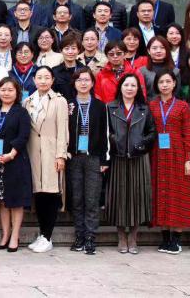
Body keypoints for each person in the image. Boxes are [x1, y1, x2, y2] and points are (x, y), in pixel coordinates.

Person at [148, 69, 190, 257]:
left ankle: (176, 239)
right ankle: (165, 237)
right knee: (160, 193)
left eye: (168, 81)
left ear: (174, 83)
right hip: (156, 155)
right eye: (161, 82)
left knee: (177, 195)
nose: (165, 85)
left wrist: (188, 159)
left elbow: (189, 135)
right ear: (157, 85)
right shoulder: (151, 105)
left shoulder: (183, 106)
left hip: (177, 154)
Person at [106, 73, 156, 254]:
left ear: (138, 89)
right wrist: (115, 140)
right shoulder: (110, 107)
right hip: (118, 156)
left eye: (133, 85)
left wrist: (142, 144)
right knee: (119, 196)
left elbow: (152, 131)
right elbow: (106, 131)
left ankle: (133, 237)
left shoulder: (144, 108)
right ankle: (121, 237)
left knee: (137, 196)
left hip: (138, 157)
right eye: (126, 85)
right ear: (120, 87)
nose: (129, 88)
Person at [24, 66, 69, 254]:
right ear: (34, 80)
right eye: (39, 77)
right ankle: (42, 234)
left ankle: (48, 236)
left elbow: (63, 130)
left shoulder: (59, 101)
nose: (43, 81)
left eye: (47, 77)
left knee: (51, 193)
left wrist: (61, 155)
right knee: (39, 194)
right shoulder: (27, 101)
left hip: (51, 153)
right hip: (33, 153)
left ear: (52, 80)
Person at [66, 69, 107, 255]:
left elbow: (105, 133)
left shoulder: (100, 106)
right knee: (77, 198)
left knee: (91, 199)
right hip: (74, 157)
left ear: (92, 83)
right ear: (74, 83)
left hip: (93, 157)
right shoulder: (68, 105)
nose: (83, 83)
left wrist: (104, 159)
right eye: (79, 80)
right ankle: (79, 236)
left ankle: (90, 237)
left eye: (87, 80)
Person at [0, 77, 32, 252]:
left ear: (17, 93)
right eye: (3, 90)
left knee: (16, 200)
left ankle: (15, 236)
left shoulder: (21, 112)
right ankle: (5, 235)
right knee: (2, 201)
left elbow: (23, 136)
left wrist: (11, 154)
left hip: (15, 161)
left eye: (10, 90)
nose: (6, 93)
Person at [51, 34, 85, 100]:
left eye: (73, 48)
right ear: (61, 51)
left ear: (78, 51)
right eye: (66, 48)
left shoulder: (84, 70)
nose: (70, 52)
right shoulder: (55, 71)